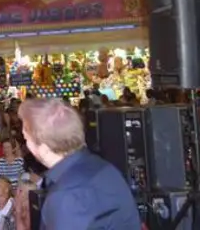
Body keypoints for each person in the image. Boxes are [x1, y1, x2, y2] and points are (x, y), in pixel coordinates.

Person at [18, 98, 141, 229]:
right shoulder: (104, 168)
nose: (26, 145)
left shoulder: (65, 196)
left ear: (44, 148)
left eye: (26, 139)